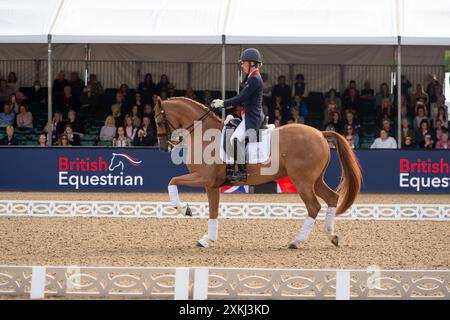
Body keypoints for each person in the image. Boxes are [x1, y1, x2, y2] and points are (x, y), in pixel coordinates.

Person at [211, 48, 265, 182]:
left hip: (252, 118)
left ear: (252, 63)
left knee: (235, 139)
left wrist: (223, 103)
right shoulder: (251, 78)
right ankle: (230, 166)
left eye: (244, 62)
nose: (242, 65)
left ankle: (242, 171)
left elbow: (240, 98)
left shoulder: (255, 79)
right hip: (247, 116)